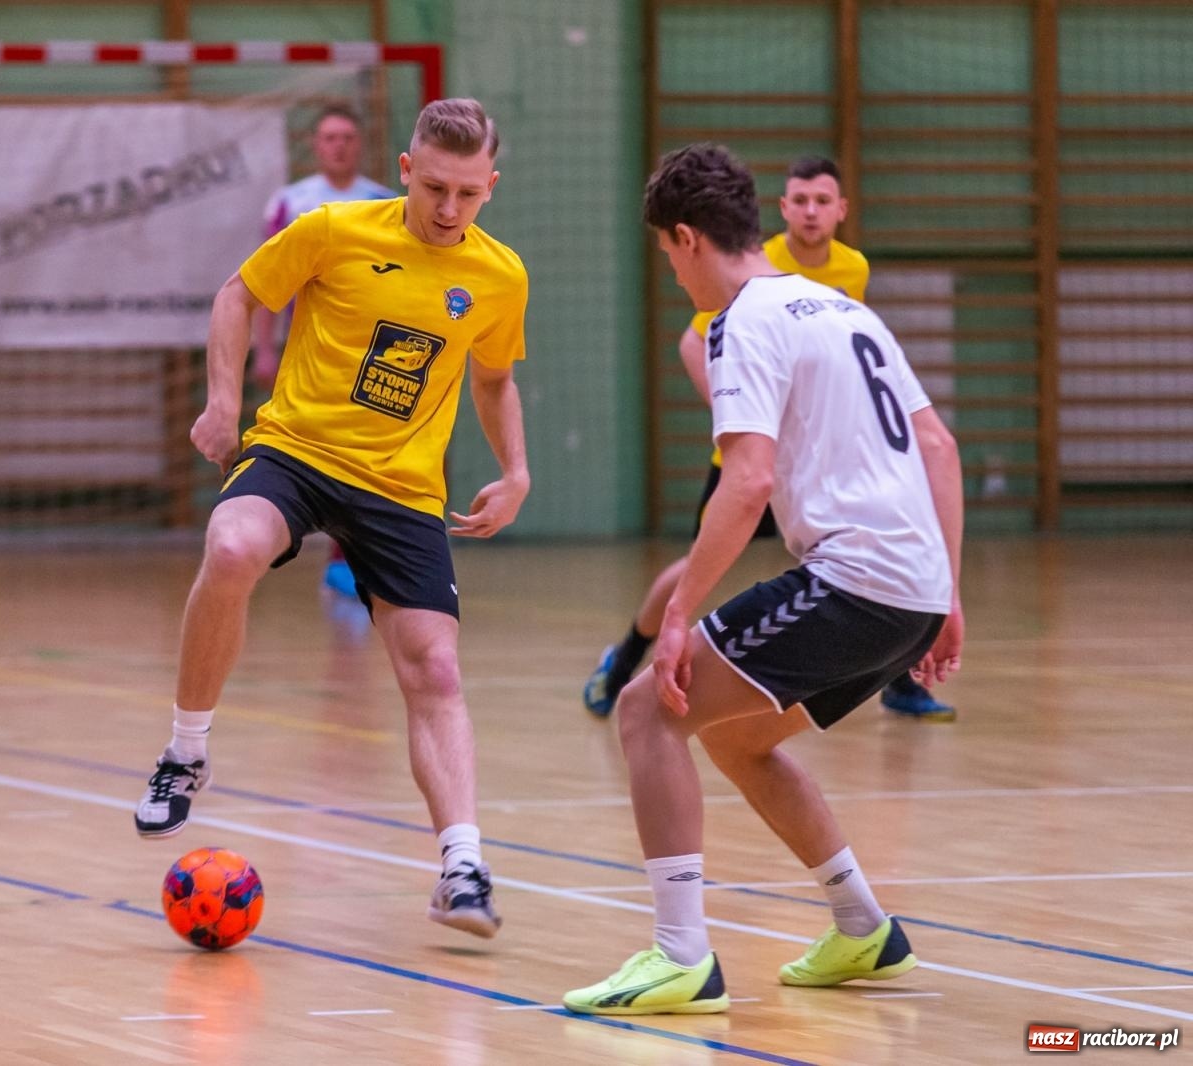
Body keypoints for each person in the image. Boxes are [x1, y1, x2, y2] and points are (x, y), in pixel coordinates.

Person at [563, 143, 964, 1015]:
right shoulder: (844, 310)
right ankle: (864, 928)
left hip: (853, 580)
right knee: (738, 735)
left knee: (646, 708)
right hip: (911, 588)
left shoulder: (741, 319)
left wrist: (676, 618)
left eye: (669, 258)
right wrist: (951, 595)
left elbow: (746, 481)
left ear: (685, 238)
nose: (674, 277)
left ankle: (681, 957)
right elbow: (939, 446)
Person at [134, 98, 530, 940]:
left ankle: (462, 867)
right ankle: (185, 752)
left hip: (403, 488)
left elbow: (493, 379)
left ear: (491, 186)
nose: (448, 209)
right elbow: (238, 295)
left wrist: (516, 470)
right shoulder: (333, 230)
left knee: (436, 670)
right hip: (299, 451)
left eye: (467, 193)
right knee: (233, 543)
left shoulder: (500, 276)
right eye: (434, 188)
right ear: (404, 171)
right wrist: (221, 403)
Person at [583, 156, 955, 722]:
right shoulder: (760, 271)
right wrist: (744, 414)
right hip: (756, 456)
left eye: (821, 201)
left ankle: (900, 680)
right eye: (799, 200)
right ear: (780, 210)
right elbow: (695, 348)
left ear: (840, 211)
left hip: (810, 472)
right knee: (699, 568)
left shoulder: (847, 274)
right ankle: (625, 656)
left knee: (668, 720)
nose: (810, 211)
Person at [252, 107, 399, 603]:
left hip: (373, 356)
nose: (339, 145)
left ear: (360, 144)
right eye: (330, 137)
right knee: (309, 450)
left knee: (367, 454)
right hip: (310, 357)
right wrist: (264, 349)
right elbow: (265, 283)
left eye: (348, 137)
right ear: (315, 144)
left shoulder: (384, 202)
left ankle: (353, 557)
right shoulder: (292, 202)